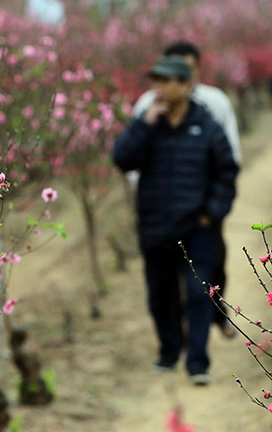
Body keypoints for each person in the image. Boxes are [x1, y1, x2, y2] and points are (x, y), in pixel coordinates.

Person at [113, 56, 239, 386]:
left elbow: (227, 171)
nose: (160, 87)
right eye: (156, 80)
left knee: (199, 296)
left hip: (196, 229)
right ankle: (170, 351)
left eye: (167, 81)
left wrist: (212, 212)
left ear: (186, 85)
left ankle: (197, 362)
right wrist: (144, 124)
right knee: (160, 295)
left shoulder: (207, 125)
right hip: (155, 225)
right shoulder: (148, 125)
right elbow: (121, 159)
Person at [131, 41, 241, 339]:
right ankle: (179, 326)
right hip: (160, 211)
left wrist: (214, 207)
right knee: (165, 277)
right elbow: (130, 157)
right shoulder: (148, 104)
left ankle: (217, 315)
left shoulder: (214, 102)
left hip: (202, 208)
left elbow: (230, 154)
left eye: (185, 69)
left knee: (211, 268)